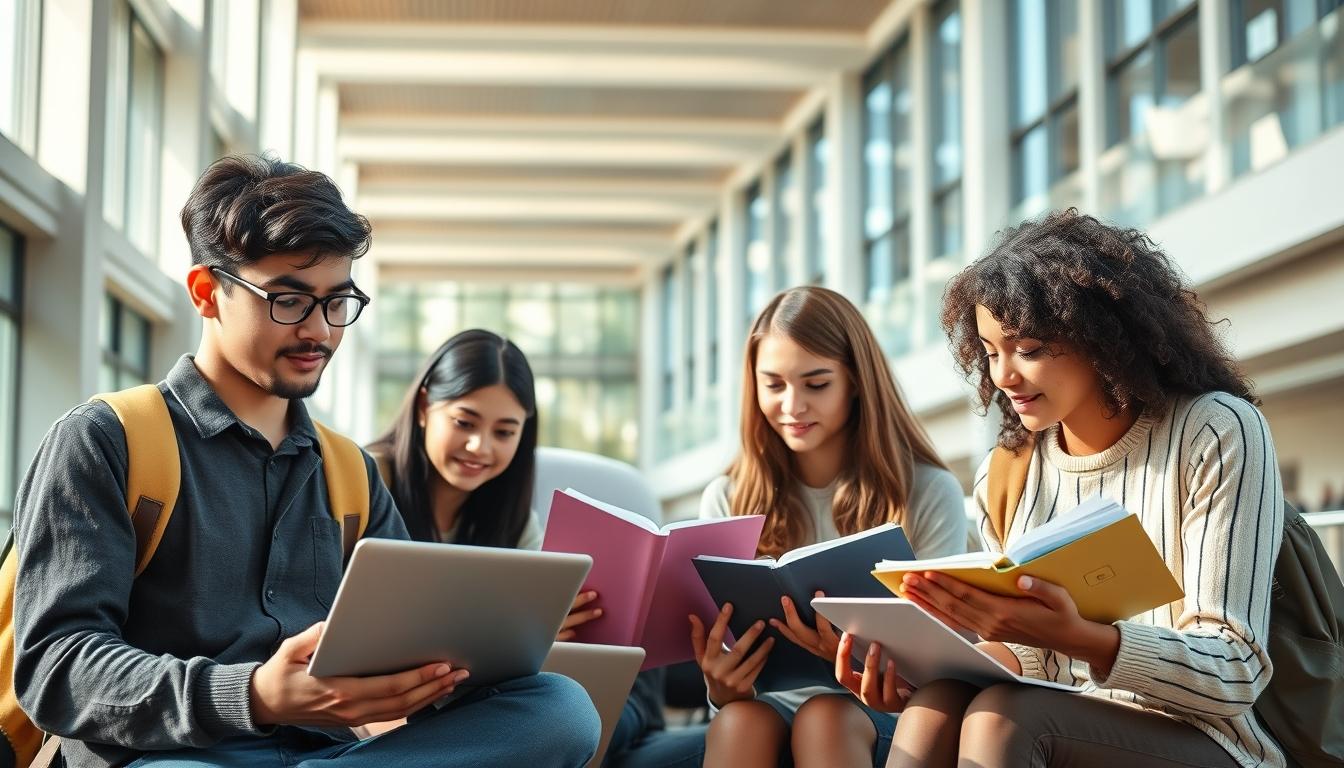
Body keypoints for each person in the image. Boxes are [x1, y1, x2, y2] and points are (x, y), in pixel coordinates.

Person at [11, 155, 599, 768]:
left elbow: (406, 650)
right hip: (167, 758)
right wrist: (254, 695)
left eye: (337, 301)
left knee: (559, 708)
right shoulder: (107, 440)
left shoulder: (350, 473)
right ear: (208, 293)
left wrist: (450, 666)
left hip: (332, 755)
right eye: (289, 299)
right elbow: (56, 667)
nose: (318, 331)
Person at [839, 209, 1285, 768]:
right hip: (1060, 719)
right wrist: (919, 673)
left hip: (1206, 741)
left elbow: (1234, 668)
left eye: (1027, 348)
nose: (1002, 376)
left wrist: (1086, 639)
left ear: (1100, 338)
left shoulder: (1215, 430)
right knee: (937, 705)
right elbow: (1032, 657)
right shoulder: (1008, 471)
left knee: (1005, 719)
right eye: (990, 351)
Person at [368, 328, 706, 767]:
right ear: (424, 407)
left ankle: (617, 726)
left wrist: (541, 632)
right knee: (571, 713)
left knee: (614, 655)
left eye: (505, 431)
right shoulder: (369, 483)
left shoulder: (511, 516)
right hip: (400, 705)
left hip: (483, 697)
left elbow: (526, 643)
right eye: (464, 422)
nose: (480, 447)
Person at [692, 286, 968, 768]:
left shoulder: (926, 491)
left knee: (825, 715)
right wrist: (720, 686)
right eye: (773, 385)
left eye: (816, 384)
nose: (793, 406)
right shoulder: (727, 497)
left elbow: (944, 666)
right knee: (737, 721)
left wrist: (857, 659)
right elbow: (728, 666)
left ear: (855, 382)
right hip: (769, 708)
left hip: (885, 713)